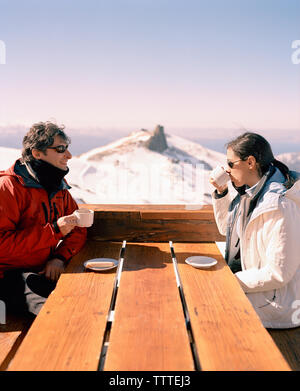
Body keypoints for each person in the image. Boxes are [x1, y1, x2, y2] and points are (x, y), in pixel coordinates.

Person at [210, 132, 300, 329]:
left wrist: (230, 282)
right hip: (260, 289)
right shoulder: (251, 194)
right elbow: (227, 229)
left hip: (278, 304)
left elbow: (279, 273)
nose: (227, 170)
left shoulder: (280, 205)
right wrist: (222, 192)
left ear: (250, 162)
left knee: (205, 309)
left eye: (230, 164)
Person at [0, 121, 87, 317]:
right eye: (60, 149)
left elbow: (78, 228)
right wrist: (54, 231)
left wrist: (59, 257)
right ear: (37, 153)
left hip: (39, 271)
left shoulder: (58, 187)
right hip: (7, 277)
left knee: (85, 296)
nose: (69, 155)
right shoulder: (8, 188)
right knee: (55, 315)